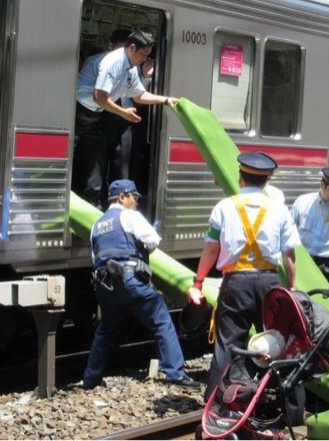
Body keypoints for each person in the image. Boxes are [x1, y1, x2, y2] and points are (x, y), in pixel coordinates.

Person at [187, 152, 299, 401]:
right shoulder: (280, 210)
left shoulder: (224, 207)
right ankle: (287, 405)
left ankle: (216, 405)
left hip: (235, 284)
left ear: (240, 178)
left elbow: (211, 249)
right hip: (269, 284)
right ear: (267, 179)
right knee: (277, 343)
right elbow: (289, 254)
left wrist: (199, 282)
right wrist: (291, 288)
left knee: (227, 344)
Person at [82, 179, 199, 390]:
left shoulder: (97, 226)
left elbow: (95, 257)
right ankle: (175, 372)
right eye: (133, 197)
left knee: (105, 330)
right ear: (121, 197)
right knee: (161, 319)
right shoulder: (129, 216)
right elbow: (153, 240)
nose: (136, 202)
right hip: (130, 281)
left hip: (104, 286)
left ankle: (91, 379)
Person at [72, 29, 177, 208]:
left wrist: (166, 100)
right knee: (92, 171)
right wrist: (122, 112)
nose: (145, 59)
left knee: (103, 164)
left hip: (100, 112)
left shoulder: (131, 68)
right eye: (144, 54)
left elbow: (138, 95)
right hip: (86, 113)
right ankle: (90, 218)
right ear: (132, 48)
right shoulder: (114, 61)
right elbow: (99, 95)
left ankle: (108, 209)